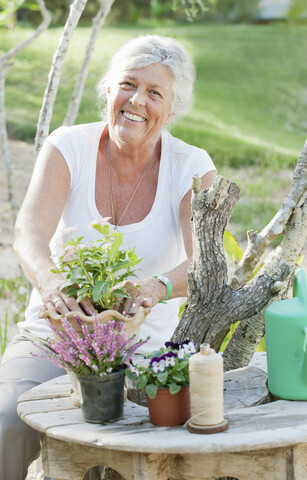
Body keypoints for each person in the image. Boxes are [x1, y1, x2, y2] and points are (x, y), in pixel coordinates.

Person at [0, 34, 216, 479]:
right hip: (56, 335)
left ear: (172, 109)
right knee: (5, 420)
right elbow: (29, 232)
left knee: (134, 456)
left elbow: (205, 264)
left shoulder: (192, 167)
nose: (136, 101)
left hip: (144, 348)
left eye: (155, 93)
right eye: (128, 84)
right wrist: (52, 283)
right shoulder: (68, 146)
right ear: (109, 90)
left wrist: (157, 287)